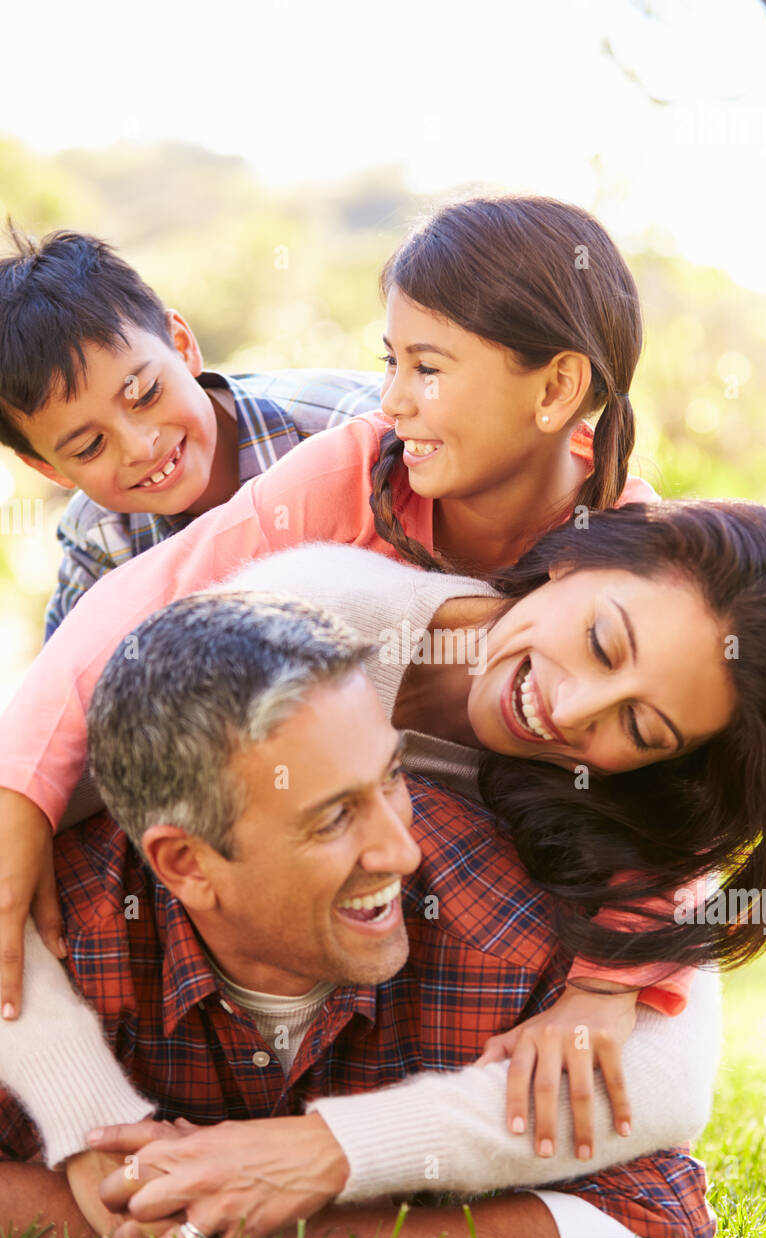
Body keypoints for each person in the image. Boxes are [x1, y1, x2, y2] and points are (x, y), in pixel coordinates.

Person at [1, 500, 766, 1175]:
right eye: (600, 643)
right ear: (576, 555)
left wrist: (342, 1151)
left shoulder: (620, 803)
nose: (568, 710)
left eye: (639, 724)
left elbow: (668, 1093)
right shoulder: (308, 613)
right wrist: (86, 1132)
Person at [0, 191, 656, 1017]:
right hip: (289, 790)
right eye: (391, 363)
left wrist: (609, 986)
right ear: (53, 472)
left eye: (424, 368)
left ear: (180, 343)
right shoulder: (354, 464)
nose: (394, 400)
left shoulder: (615, 545)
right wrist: (17, 796)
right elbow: (123, 629)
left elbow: (692, 793)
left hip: (496, 817)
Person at [0, 589, 722, 1238]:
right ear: (186, 864)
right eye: (335, 818)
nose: (401, 853)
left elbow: (657, 1223)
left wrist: (286, 1236)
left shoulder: (507, 933)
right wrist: (126, 1212)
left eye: (392, 778)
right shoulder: (57, 939)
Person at [0, 226, 385, 641]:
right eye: (90, 446)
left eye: (145, 394)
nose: (139, 446)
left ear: (182, 347)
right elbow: (73, 685)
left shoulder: (352, 428)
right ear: (47, 468)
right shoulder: (102, 535)